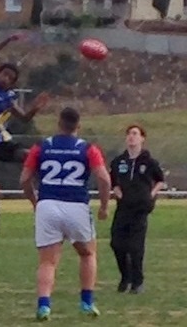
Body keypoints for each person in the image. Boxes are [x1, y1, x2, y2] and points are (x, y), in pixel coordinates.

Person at [19, 107, 111, 321]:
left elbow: (24, 178)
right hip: (76, 205)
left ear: (58, 124)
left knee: (47, 262)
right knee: (87, 253)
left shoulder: (41, 146)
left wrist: (35, 201)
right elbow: (104, 179)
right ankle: (86, 303)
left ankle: (44, 306)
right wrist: (104, 206)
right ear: (78, 126)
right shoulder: (88, 148)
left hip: (48, 204)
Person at [0, 34, 49, 241]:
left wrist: (36, 107)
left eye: (11, 78)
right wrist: (6, 41)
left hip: (2, 142)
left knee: (30, 156)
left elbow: (25, 118)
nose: (6, 78)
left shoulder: (10, 98)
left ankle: (46, 188)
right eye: (4, 74)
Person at [109, 125, 165, 294]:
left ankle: (137, 282)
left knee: (135, 247)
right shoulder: (119, 161)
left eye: (135, 134)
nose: (131, 137)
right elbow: (112, 181)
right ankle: (125, 277)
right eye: (129, 134)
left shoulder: (149, 162)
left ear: (142, 138)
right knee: (117, 244)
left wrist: (151, 194)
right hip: (123, 208)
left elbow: (160, 180)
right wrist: (116, 190)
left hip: (140, 208)